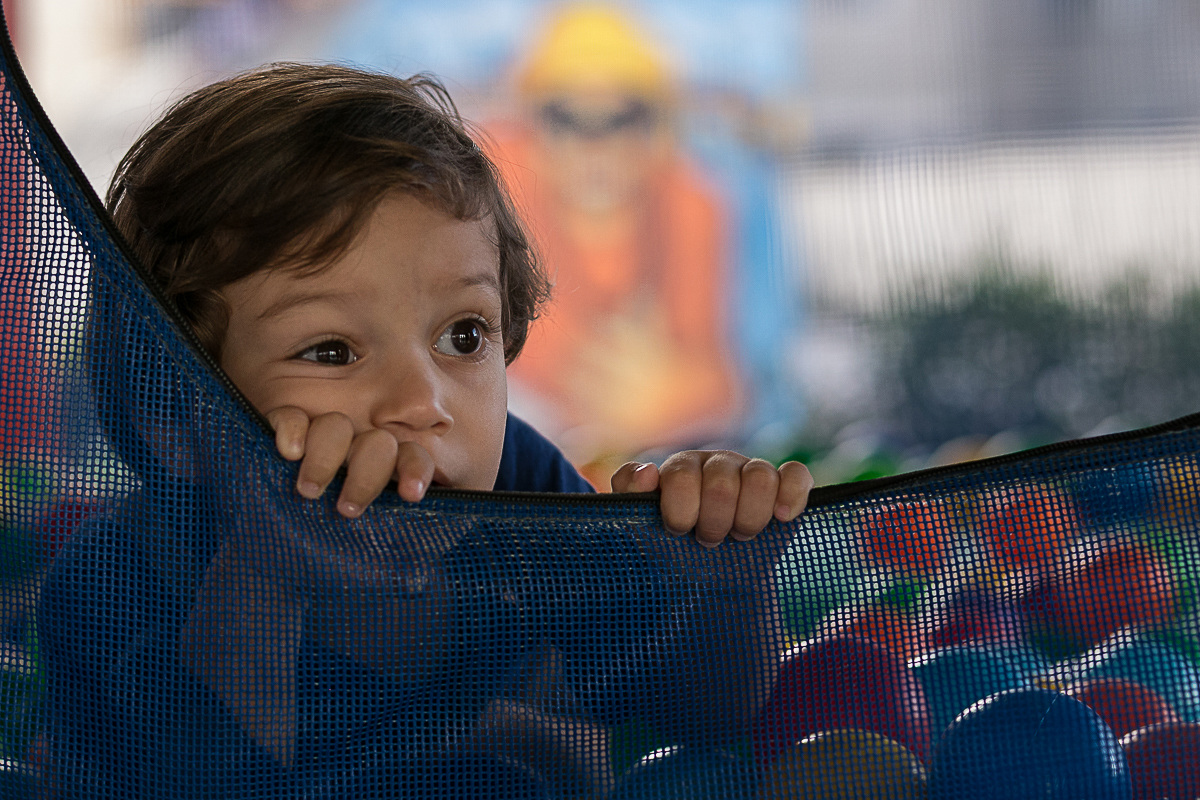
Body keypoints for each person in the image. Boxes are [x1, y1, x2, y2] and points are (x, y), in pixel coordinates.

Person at [39, 64, 812, 798]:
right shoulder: (120, 578)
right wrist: (267, 577)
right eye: (332, 351)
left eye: (465, 336)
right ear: (175, 416)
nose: (423, 399)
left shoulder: (522, 494)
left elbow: (698, 717)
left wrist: (727, 589)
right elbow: (203, 785)